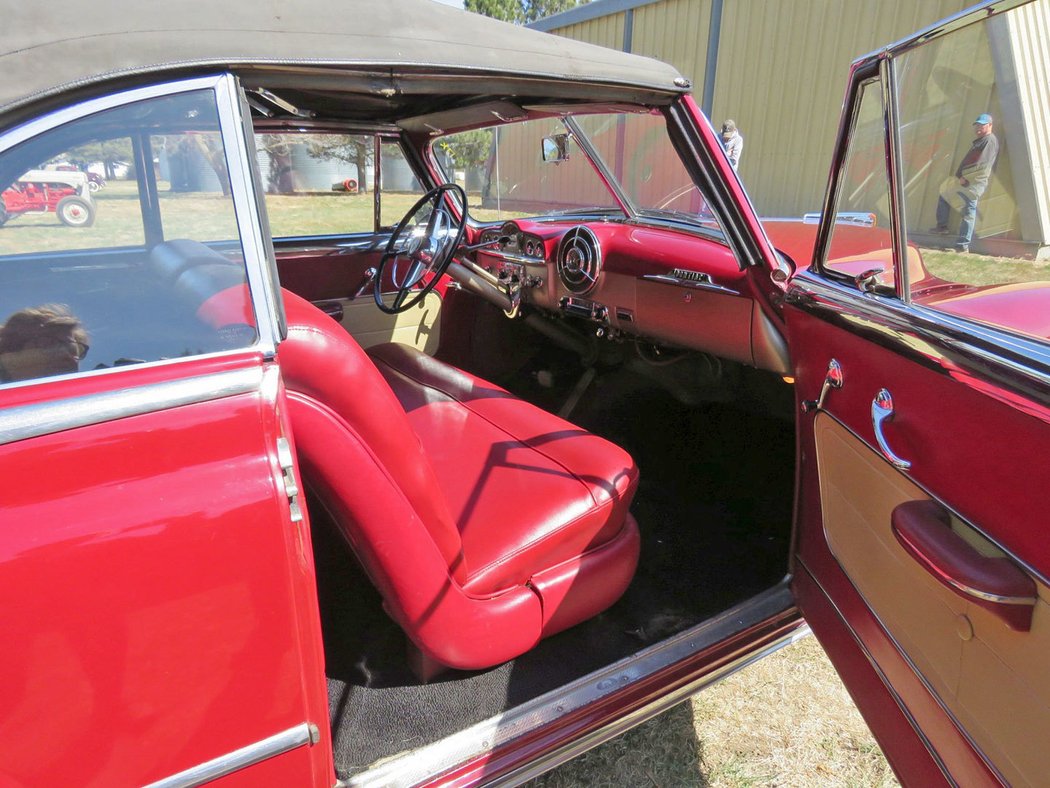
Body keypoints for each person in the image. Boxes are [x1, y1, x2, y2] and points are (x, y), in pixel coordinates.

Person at [931, 113, 999, 252]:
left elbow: (981, 164)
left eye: (982, 125)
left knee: (969, 211)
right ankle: (942, 227)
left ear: (990, 125)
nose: (978, 128)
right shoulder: (982, 140)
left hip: (973, 182)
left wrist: (966, 177)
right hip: (966, 181)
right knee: (946, 195)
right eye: (977, 125)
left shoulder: (989, 141)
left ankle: (962, 246)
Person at [0, 304, 89, 383]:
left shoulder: (97, 397)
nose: (67, 356)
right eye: (50, 345)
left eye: (73, 349)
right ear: (9, 357)